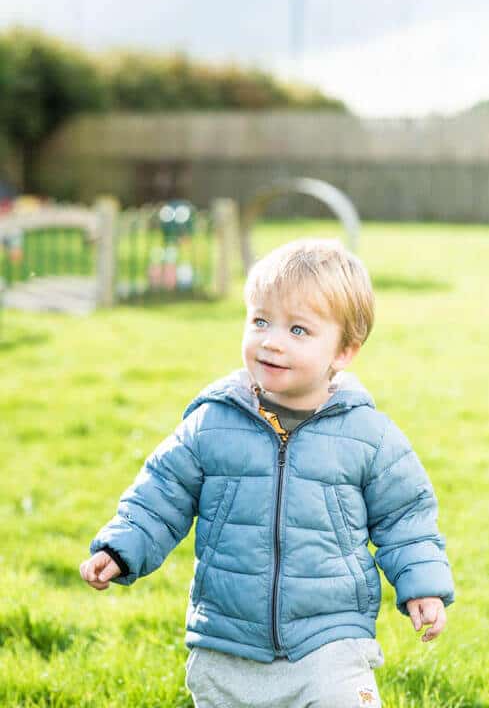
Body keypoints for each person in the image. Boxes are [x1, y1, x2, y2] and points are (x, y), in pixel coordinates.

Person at [80, 238, 454, 708]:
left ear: (343, 351)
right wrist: (121, 547)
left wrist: (423, 586)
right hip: (227, 639)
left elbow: (406, 518)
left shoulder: (368, 435)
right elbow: (161, 493)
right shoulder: (212, 423)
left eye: (298, 329)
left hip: (329, 640)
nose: (272, 341)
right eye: (260, 321)